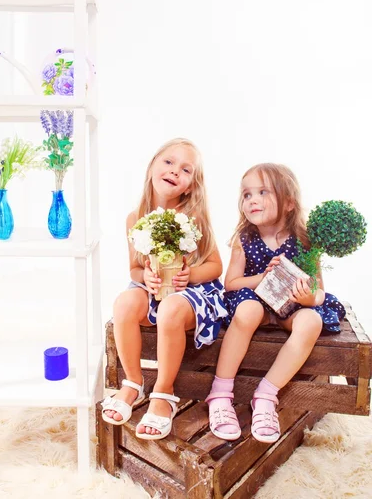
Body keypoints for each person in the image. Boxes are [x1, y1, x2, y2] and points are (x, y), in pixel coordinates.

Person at [206, 163, 345, 443]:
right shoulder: (244, 239)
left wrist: (307, 298)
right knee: (248, 310)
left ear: (290, 203)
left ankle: (267, 395)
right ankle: (220, 393)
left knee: (312, 319)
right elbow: (231, 282)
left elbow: (317, 292)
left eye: (262, 192)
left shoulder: (304, 240)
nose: (252, 200)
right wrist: (261, 277)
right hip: (253, 299)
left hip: (288, 306)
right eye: (246, 195)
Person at [102, 138, 228, 440]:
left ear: (189, 186)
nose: (175, 171)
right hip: (154, 289)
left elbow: (216, 266)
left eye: (186, 170)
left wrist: (191, 274)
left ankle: (163, 392)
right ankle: (133, 382)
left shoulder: (194, 217)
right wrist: (144, 277)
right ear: (152, 167)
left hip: (193, 295)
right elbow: (133, 267)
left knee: (171, 307)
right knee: (124, 303)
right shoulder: (135, 218)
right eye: (169, 162)